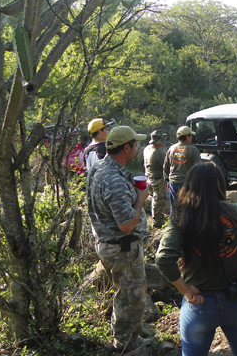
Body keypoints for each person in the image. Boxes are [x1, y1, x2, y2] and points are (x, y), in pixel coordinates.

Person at [155, 162, 237, 356]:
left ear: (189, 185)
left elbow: (164, 258)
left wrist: (186, 290)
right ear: (219, 185)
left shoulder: (182, 217)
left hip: (199, 303)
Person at [86, 126, 151, 351]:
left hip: (109, 243)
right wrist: (140, 197)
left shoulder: (100, 168)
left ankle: (127, 334)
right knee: (130, 296)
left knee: (124, 292)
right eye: (136, 145)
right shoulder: (114, 179)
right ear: (127, 148)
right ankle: (126, 344)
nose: (137, 148)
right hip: (122, 247)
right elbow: (126, 225)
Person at [163, 126, 201, 211]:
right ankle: (185, 224)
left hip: (173, 182)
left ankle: (173, 223)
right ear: (187, 137)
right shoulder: (193, 149)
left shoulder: (171, 148)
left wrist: (167, 179)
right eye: (191, 136)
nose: (192, 138)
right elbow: (198, 168)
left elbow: (165, 166)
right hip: (187, 183)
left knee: (174, 207)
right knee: (187, 208)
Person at [144, 130, 169, 228]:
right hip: (157, 180)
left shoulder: (147, 149)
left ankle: (154, 217)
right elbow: (165, 167)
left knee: (153, 198)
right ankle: (157, 223)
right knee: (159, 201)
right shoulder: (158, 153)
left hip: (148, 178)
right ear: (160, 142)